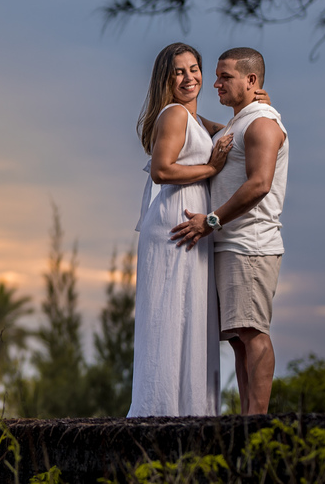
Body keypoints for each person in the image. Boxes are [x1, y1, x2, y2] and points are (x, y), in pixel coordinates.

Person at [171, 47, 288, 415]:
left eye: (226, 77)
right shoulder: (243, 121)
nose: (216, 83)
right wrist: (178, 109)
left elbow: (260, 185)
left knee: (252, 333)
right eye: (217, 76)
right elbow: (210, 132)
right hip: (231, 246)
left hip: (250, 246)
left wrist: (210, 221)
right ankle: (246, 417)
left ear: (251, 81)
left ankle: (258, 422)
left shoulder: (262, 124)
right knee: (239, 338)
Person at [127, 42, 231, 417]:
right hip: (176, 222)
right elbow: (162, 170)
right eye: (179, 72)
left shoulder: (194, 120)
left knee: (190, 313)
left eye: (194, 69)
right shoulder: (173, 115)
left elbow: (230, 129)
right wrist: (211, 170)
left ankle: (190, 408)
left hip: (192, 223)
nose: (190, 78)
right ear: (166, 80)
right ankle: (163, 407)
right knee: (171, 315)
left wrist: (256, 104)